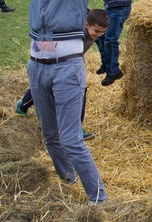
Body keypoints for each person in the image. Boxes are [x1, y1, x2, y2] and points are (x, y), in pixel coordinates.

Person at [6, 0, 109, 204]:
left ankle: (98, 198)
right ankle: (67, 180)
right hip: (37, 65)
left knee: (71, 139)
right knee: (50, 136)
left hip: (66, 67)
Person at [16, 9, 108, 141]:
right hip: (56, 61)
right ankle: (23, 105)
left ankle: (76, 127)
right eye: (97, 31)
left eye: (103, 32)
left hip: (73, 61)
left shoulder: (92, 29)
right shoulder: (71, 29)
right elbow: (45, 45)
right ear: (86, 25)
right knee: (46, 86)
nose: (99, 35)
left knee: (81, 90)